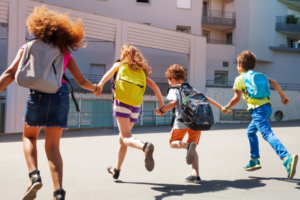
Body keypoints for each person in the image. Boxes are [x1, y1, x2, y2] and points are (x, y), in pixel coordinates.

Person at [0, 6, 100, 200]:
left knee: (29, 137)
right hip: (60, 95)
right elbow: (80, 81)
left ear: (36, 27)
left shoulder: (28, 46)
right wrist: (95, 89)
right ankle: (59, 192)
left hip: (38, 95)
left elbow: (10, 73)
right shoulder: (63, 51)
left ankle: (34, 176)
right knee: (53, 146)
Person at [222, 50, 298, 179]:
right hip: (267, 108)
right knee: (251, 132)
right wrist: (283, 96)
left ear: (240, 65)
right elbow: (273, 82)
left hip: (257, 110)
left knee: (267, 134)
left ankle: (286, 157)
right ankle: (254, 160)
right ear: (253, 65)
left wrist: (227, 107)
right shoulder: (260, 75)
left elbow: (236, 98)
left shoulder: (240, 79)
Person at [154, 64, 232, 184]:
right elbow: (206, 98)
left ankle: (187, 146)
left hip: (182, 122)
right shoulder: (191, 88)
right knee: (193, 145)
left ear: (171, 77)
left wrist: (161, 110)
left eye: (168, 79)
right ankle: (195, 174)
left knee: (172, 143)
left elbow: (174, 103)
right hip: (196, 122)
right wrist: (221, 107)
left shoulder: (174, 89)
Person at [96, 44, 165, 179]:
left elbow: (107, 74)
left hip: (122, 101)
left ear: (124, 54)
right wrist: (162, 105)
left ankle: (144, 146)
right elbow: (155, 86)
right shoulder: (140, 71)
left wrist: (99, 85)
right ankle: (117, 170)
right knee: (123, 139)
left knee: (126, 137)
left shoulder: (120, 64)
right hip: (135, 106)